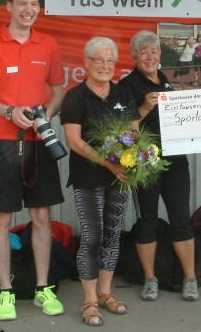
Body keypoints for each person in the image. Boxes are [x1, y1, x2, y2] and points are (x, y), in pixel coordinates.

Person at [0, 0, 65, 321]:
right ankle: (5, 291)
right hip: (3, 142)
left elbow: (58, 89)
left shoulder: (48, 44)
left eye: (34, 4)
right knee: (2, 218)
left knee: (41, 217)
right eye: (22, 3)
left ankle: (42, 289)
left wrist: (45, 117)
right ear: (8, 6)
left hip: (40, 142)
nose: (28, 9)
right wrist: (9, 112)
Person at [60, 37, 140, 327]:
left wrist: (133, 162)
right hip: (88, 176)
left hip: (119, 177)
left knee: (113, 234)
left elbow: (134, 134)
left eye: (110, 61)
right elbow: (73, 140)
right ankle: (89, 300)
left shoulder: (124, 94)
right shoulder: (75, 97)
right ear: (87, 63)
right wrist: (108, 162)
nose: (105, 66)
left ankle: (106, 293)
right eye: (99, 60)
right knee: (92, 236)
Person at [119, 30, 199, 302]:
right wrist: (143, 107)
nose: (150, 57)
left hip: (176, 160)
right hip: (145, 162)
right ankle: (149, 279)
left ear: (160, 55)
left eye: (154, 51)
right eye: (144, 52)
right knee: (147, 222)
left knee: (181, 220)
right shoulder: (127, 85)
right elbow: (123, 131)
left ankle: (190, 279)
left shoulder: (166, 82)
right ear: (135, 57)